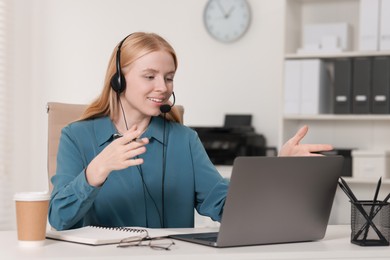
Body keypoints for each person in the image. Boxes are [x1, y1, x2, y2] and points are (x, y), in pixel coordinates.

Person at [48, 32, 333, 231]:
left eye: (169, 77)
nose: (163, 87)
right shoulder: (76, 136)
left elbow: (225, 206)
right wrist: (95, 171)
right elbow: (59, 219)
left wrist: (279, 171)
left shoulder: (184, 140)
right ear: (119, 80)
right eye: (150, 76)